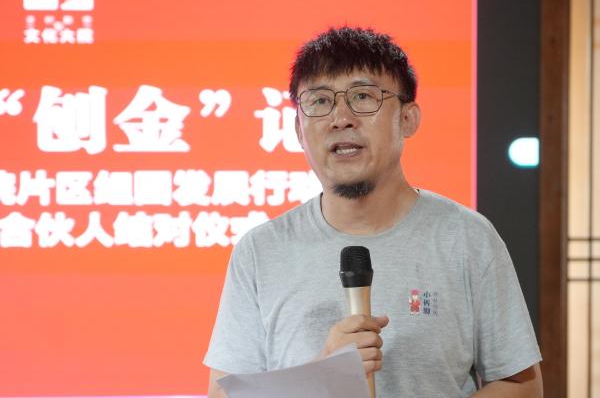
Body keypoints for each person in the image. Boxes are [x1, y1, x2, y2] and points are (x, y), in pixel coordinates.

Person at [204, 27, 543, 397]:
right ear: (299, 130)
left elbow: (522, 385)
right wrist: (324, 375)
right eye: (320, 101)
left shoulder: (467, 238)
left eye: (362, 96)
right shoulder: (260, 251)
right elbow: (223, 394)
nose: (341, 118)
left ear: (407, 119)